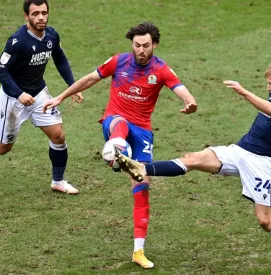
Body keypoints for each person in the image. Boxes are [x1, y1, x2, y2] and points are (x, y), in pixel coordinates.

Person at [115, 62, 271, 275]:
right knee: (193, 158)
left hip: (261, 164)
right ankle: (142, 168)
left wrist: (244, 92)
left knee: (265, 220)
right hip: (239, 151)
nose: (268, 88)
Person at [42, 22, 197, 268]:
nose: (141, 50)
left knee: (142, 184)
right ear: (132, 45)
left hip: (142, 132)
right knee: (119, 126)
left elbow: (182, 90)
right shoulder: (119, 61)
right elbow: (89, 79)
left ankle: (138, 251)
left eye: (146, 45)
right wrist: (62, 95)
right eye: (137, 45)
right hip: (115, 121)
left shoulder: (162, 69)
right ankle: (116, 151)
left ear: (154, 44)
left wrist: (190, 103)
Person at [0, 0, 82, 195]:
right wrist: (19, 94)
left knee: (58, 135)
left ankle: (58, 181)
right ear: (26, 16)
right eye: (36, 13)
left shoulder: (52, 36)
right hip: (14, 98)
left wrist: (73, 86)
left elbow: (60, 59)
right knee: (2, 148)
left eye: (44, 13)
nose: (41, 17)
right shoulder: (17, 41)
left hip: (39, 94)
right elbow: (0, 70)